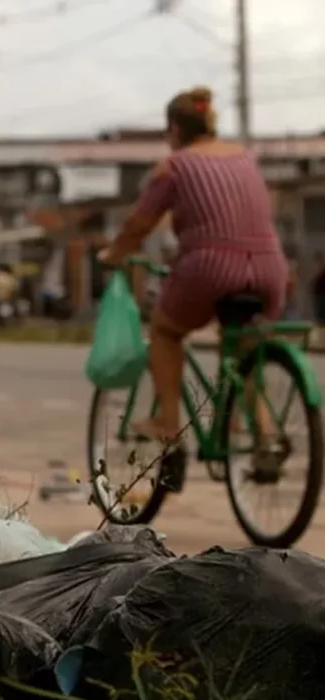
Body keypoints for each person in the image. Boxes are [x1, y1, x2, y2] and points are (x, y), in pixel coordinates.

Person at [98, 86, 288, 444]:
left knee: (166, 332)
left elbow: (139, 223)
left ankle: (168, 422)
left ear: (174, 129)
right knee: (245, 344)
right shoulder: (246, 158)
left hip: (210, 268)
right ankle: (263, 434)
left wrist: (113, 256)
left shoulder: (175, 166)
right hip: (269, 268)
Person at [313, 252, 325, 323]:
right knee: (320, 315)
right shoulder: (320, 273)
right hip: (319, 296)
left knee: (321, 315)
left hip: (322, 296)